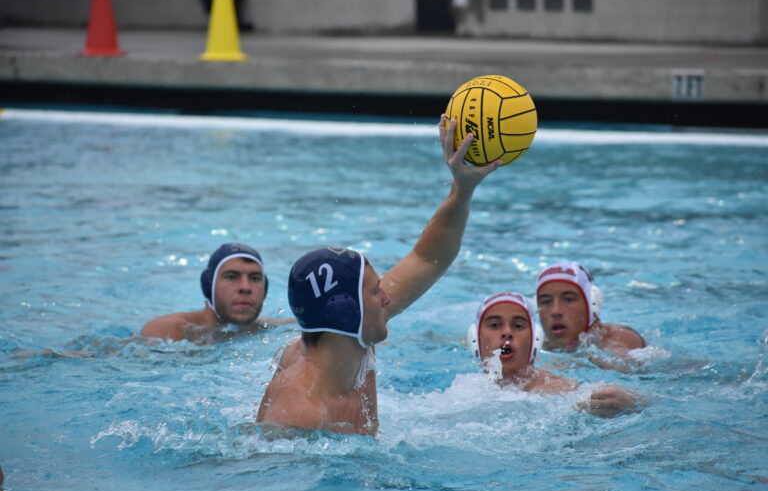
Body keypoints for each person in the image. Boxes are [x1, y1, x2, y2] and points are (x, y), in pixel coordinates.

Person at [256, 116, 499, 436]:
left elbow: (428, 259)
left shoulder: (352, 338)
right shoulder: (297, 416)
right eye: (374, 292)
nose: (388, 296)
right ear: (345, 310)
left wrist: (463, 190)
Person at [467, 291, 644, 417]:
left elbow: (590, 399)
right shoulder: (465, 388)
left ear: (535, 340)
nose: (506, 332)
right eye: (494, 325)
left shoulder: (554, 388)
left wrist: (631, 401)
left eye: (518, 326)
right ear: (475, 339)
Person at [141, 243, 289, 343]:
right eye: (231, 277)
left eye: (255, 278)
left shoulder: (272, 329)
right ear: (208, 286)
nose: (245, 287)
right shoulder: (168, 331)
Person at [535, 261, 645, 357]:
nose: (555, 311)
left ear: (592, 304)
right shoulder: (540, 346)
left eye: (568, 299)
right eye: (546, 301)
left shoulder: (619, 337)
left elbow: (620, 364)